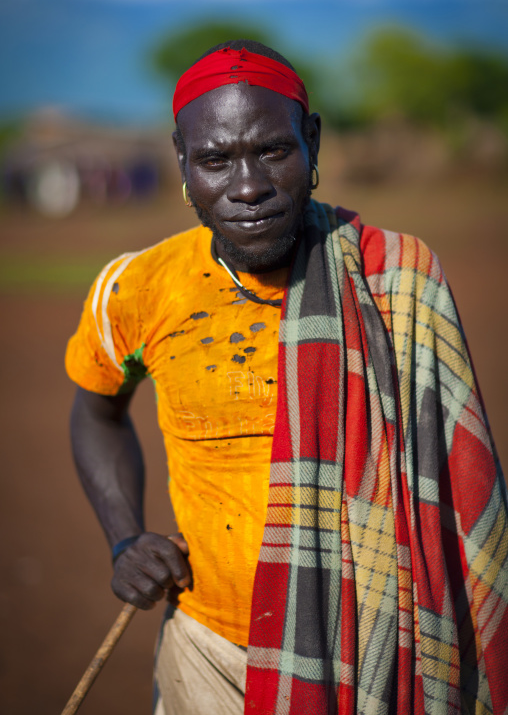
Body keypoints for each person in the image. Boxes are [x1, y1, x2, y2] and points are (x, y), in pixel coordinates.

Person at [66, 40, 508, 715]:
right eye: (215, 159)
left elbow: (460, 485)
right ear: (182, 160)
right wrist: (125, 535)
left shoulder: (396, 281)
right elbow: (96, 408)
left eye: (273, 150)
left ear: (313, 140)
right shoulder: (137, 289)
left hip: (375, 657)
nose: (248, 186)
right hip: (208, 651)